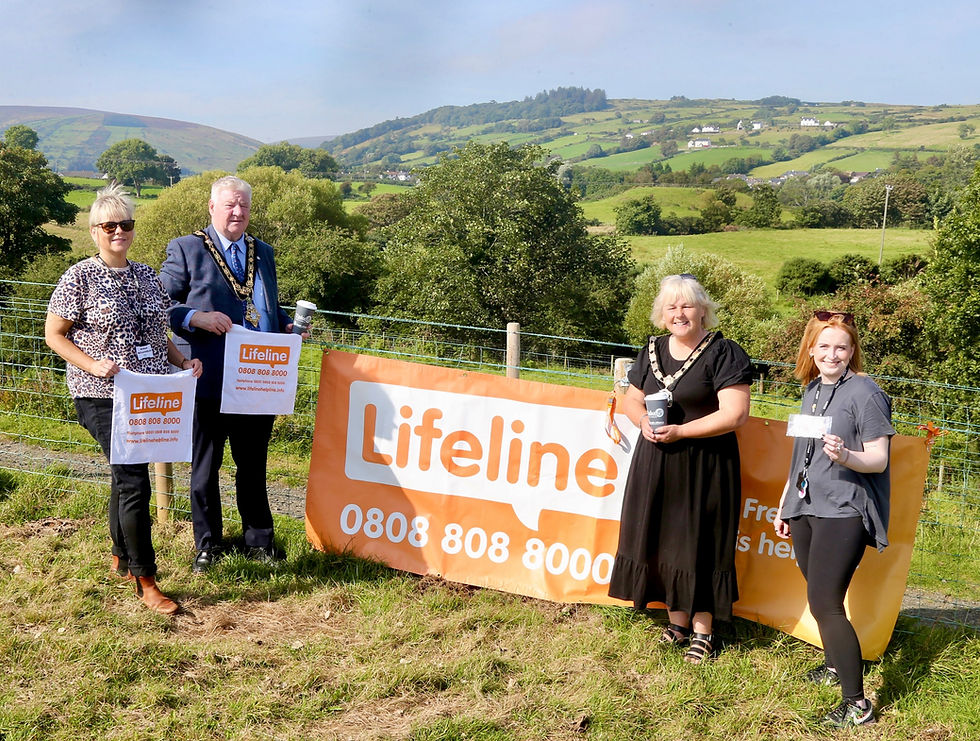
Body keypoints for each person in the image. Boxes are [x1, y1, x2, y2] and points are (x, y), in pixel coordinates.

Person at [45, 183, 202, 615]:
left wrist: (180, 363)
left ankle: (120, 553)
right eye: (110, 224)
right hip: (100, 394)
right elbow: (54, 335)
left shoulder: (148, 275)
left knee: (124, 475)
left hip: (148, 395)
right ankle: (145, 577)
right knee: (134, 479)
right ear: (94, 230)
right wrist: (92, 364)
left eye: (126, 224)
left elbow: (158, 333)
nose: (119, 231)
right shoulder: (78, 277)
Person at [159, 175, 305, 573]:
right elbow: (158, 306)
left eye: (243, 205)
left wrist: (287, 325)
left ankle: (260, 541)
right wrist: (196, 317)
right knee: (205, 468)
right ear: (211, 207)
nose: (237, 212)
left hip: (257, 380)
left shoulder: (265, 252)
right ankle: (208, 545)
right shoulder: (187, 249)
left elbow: (266, 308)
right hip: (207, 377)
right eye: (229, 205)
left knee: (253, 465)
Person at [608, 274, 752, 663]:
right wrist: (643, 423)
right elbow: (631, 401)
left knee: (700, 543)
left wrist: (682, 432)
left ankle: (704, 631)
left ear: (703, 309)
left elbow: (736, 414)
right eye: (671, 306)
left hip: (705, 464)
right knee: (661, 538)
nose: (679, 313)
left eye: (687, 305)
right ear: (661, 313)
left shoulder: (724, 353)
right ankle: (677, 622)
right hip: (656, 460)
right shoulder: (651, 350)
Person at [774, 311, 894, 728]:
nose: (832, 353)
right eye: (824, 346)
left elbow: (878, 459)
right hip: (808, 507)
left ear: (852, 352)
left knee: (824, 602)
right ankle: (833, 667)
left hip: (844, 509)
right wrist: (786, 504)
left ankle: (857, 705)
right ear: (811, 350)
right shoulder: (811, 391)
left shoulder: (865, 391)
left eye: (841, 346)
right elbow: (800, 460)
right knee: (823, 594)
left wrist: (846, 456)